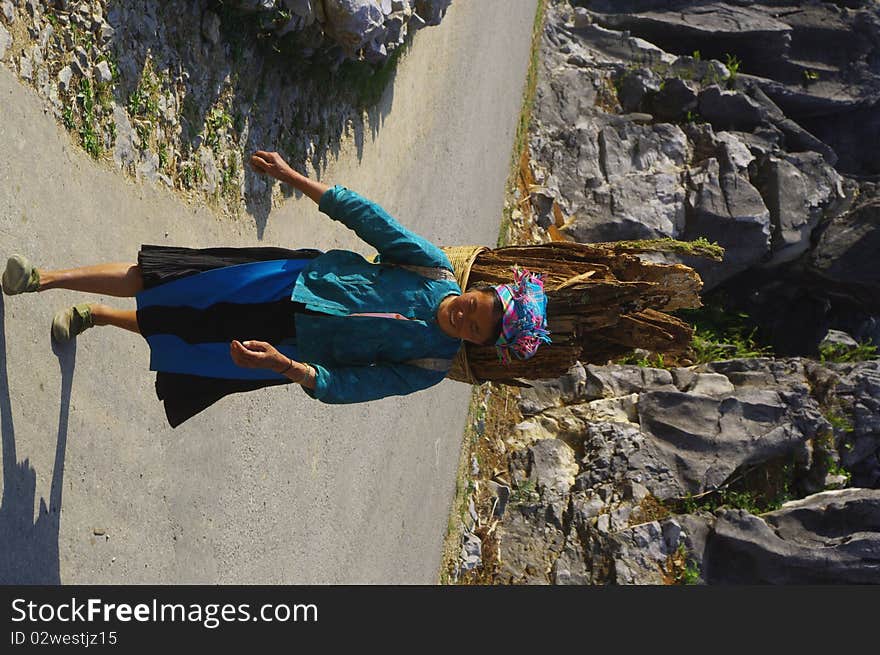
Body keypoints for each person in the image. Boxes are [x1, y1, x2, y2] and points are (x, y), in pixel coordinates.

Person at [2, 151, 550, 427]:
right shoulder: (432, 270)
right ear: (485, 289)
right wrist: (292, 176)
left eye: (477, 331)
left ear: (481, 346)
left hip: (288, 349)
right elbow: (371, 220)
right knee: (173, 278)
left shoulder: (431, 365)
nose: (466, 319)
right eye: (479, 307)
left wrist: (289, 370)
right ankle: (43, 278)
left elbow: (359, 387)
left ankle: (94, 315)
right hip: (291, 279)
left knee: (180, 334)